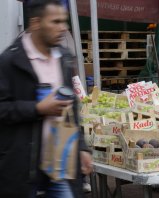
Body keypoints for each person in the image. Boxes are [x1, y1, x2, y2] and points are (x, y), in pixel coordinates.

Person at [0, 0, 92, 197]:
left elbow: (73, 110)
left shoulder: (64, 59)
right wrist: (38, 108)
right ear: (35, 23)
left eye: (64, 21)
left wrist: (82, 148)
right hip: (23, 168)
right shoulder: (10, 61)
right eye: (55, 22)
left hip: (61, 163)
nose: (63, 27)